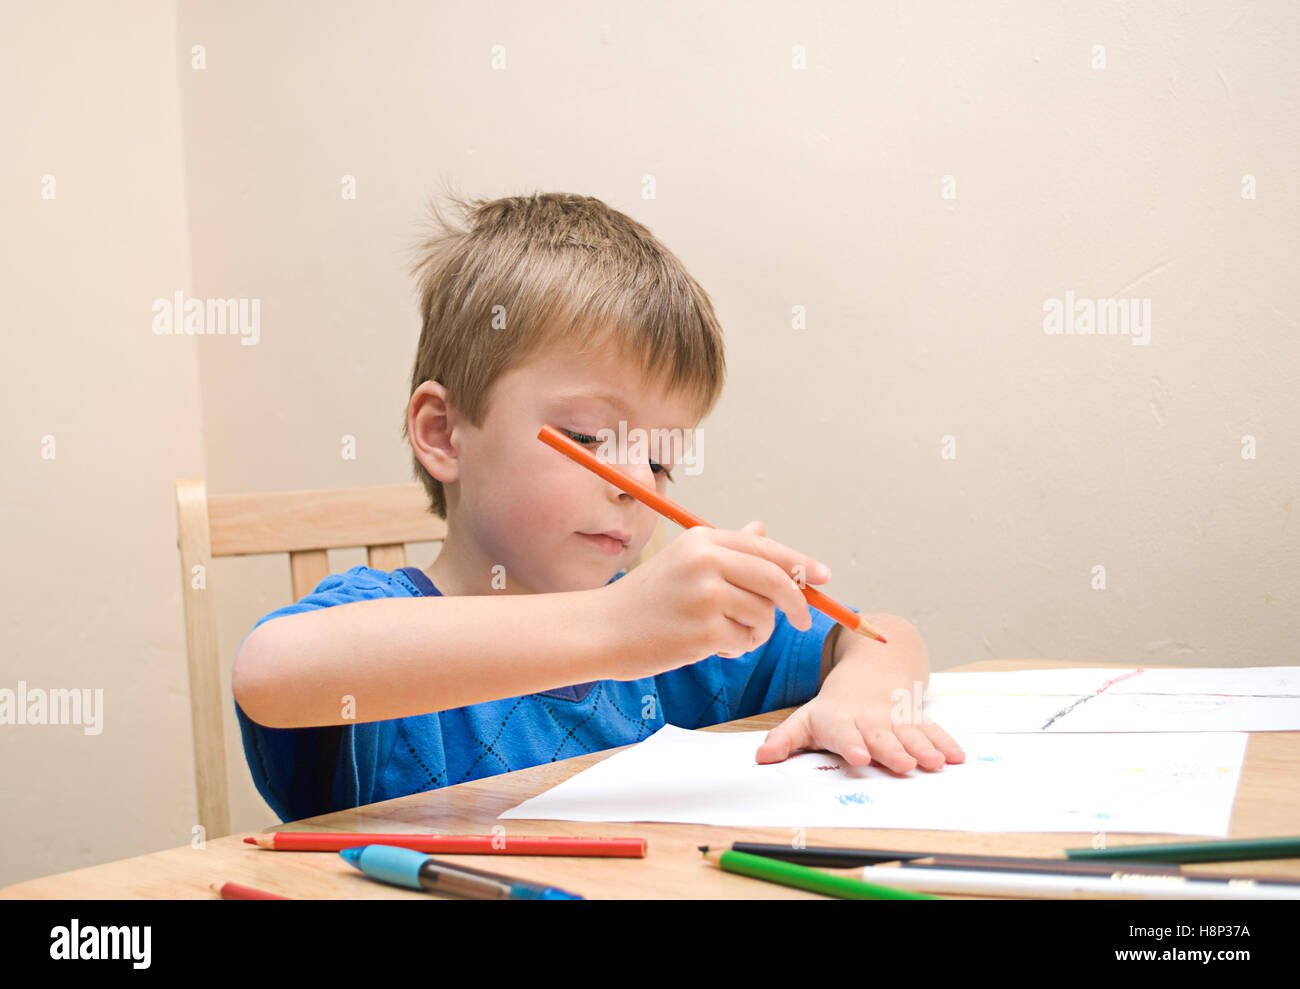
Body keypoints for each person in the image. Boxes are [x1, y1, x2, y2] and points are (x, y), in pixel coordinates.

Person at [232, 190, 963, 823]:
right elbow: (271, 670)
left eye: (660, 459)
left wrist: (867, 691)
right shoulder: (388, 621)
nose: (632, 482)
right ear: (443, 432)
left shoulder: (671, 646)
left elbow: (881, 635)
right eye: (588, 436)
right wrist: (619, 626)